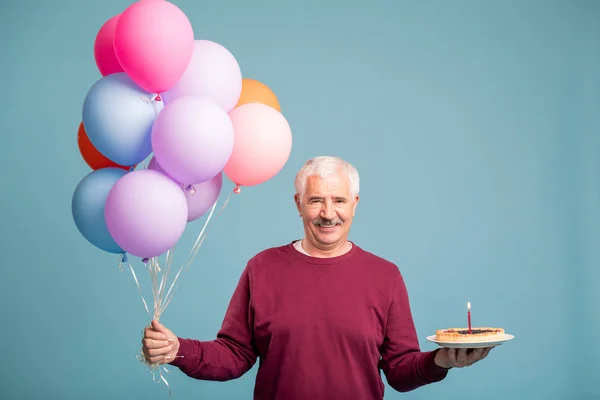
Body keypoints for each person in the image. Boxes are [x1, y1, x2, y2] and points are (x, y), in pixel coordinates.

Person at [142, 156, 493, 400]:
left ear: (355, 203)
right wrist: (178, 350)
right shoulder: (261, 268)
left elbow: (400, 371)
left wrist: (440, 361)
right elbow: (234, 355)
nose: (328, 213)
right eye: (315, 201)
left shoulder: (385, 276)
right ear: (298, 204)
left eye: (339, 200)